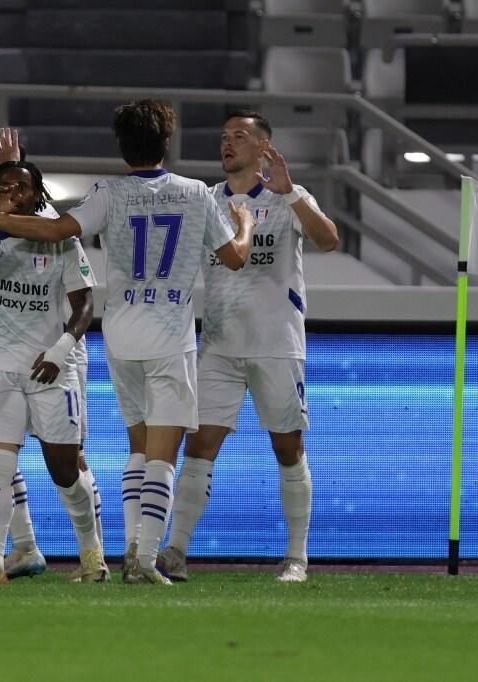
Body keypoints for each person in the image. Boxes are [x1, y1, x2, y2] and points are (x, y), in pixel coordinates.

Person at [0, 100, 255, 585]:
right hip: (169, 336)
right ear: (167, 142)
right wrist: (246, 226)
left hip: (119, 333)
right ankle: (142, 559)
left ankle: (117, 549)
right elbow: (235, 259)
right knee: (159, 456)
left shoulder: (108, 194)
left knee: (127, 451)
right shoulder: (196, 192)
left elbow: (57, 229)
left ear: (121, 145)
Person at [158, 110, 339, 583]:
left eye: (239, 136)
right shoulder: (206, 199)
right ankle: (176, 551)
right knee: (200, 445)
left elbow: (329, 240)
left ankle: (297, 558)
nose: (227, 143)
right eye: (224, 137)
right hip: (219, 343)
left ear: (263, 148)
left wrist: (291, 192)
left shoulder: (288, 197)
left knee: (287, 446)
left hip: (276, 342)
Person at [0, 160, 109, 583]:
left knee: (65, 471)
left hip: (50, 367)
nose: (13, 192)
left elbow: (85, 307)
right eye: (4, 186)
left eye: (22, 187)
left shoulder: (58, 238)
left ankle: (92, 554)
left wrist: (60, 350)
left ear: (37, 195)